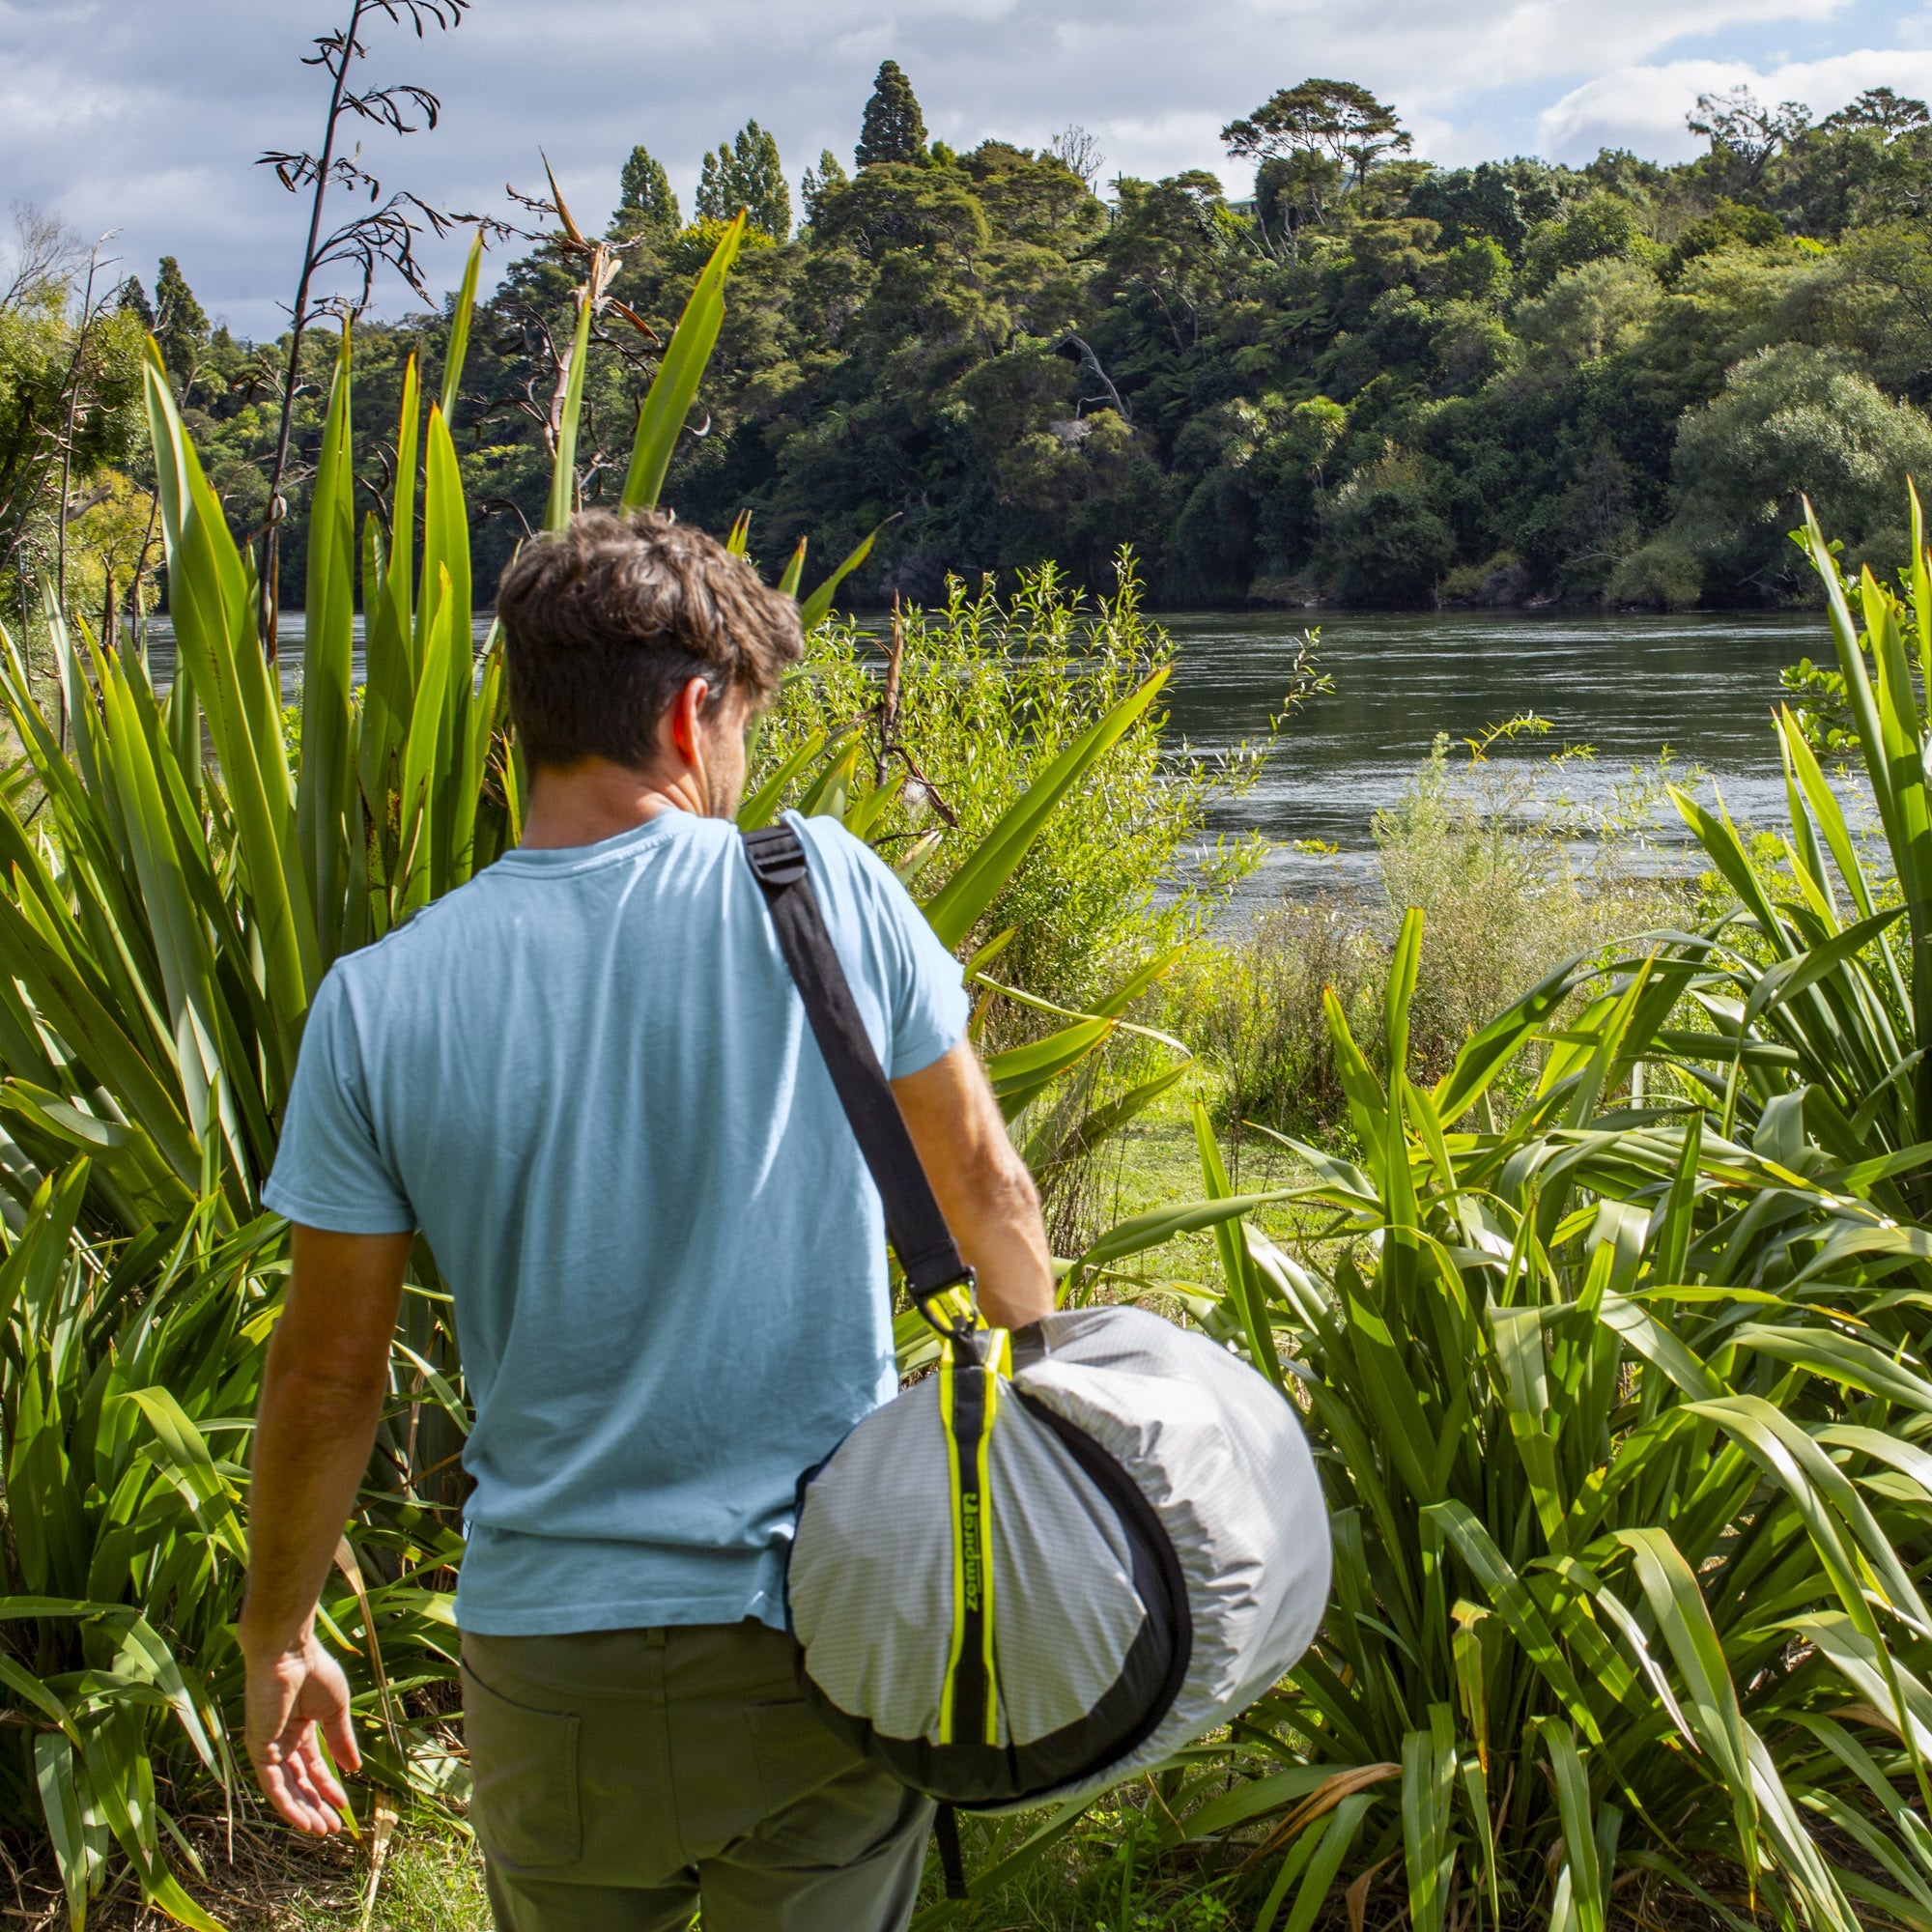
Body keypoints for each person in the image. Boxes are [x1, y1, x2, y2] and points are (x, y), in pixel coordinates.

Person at [240, 509, 1057, 1931]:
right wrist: (1058, 1462)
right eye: (743, 722)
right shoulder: (822, 890)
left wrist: (280, 1635)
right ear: (693, 713)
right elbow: (988, 1193)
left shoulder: (377, 999)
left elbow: (326, 1378)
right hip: (817, 1627)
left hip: (550, 1660)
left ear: (527, 718)